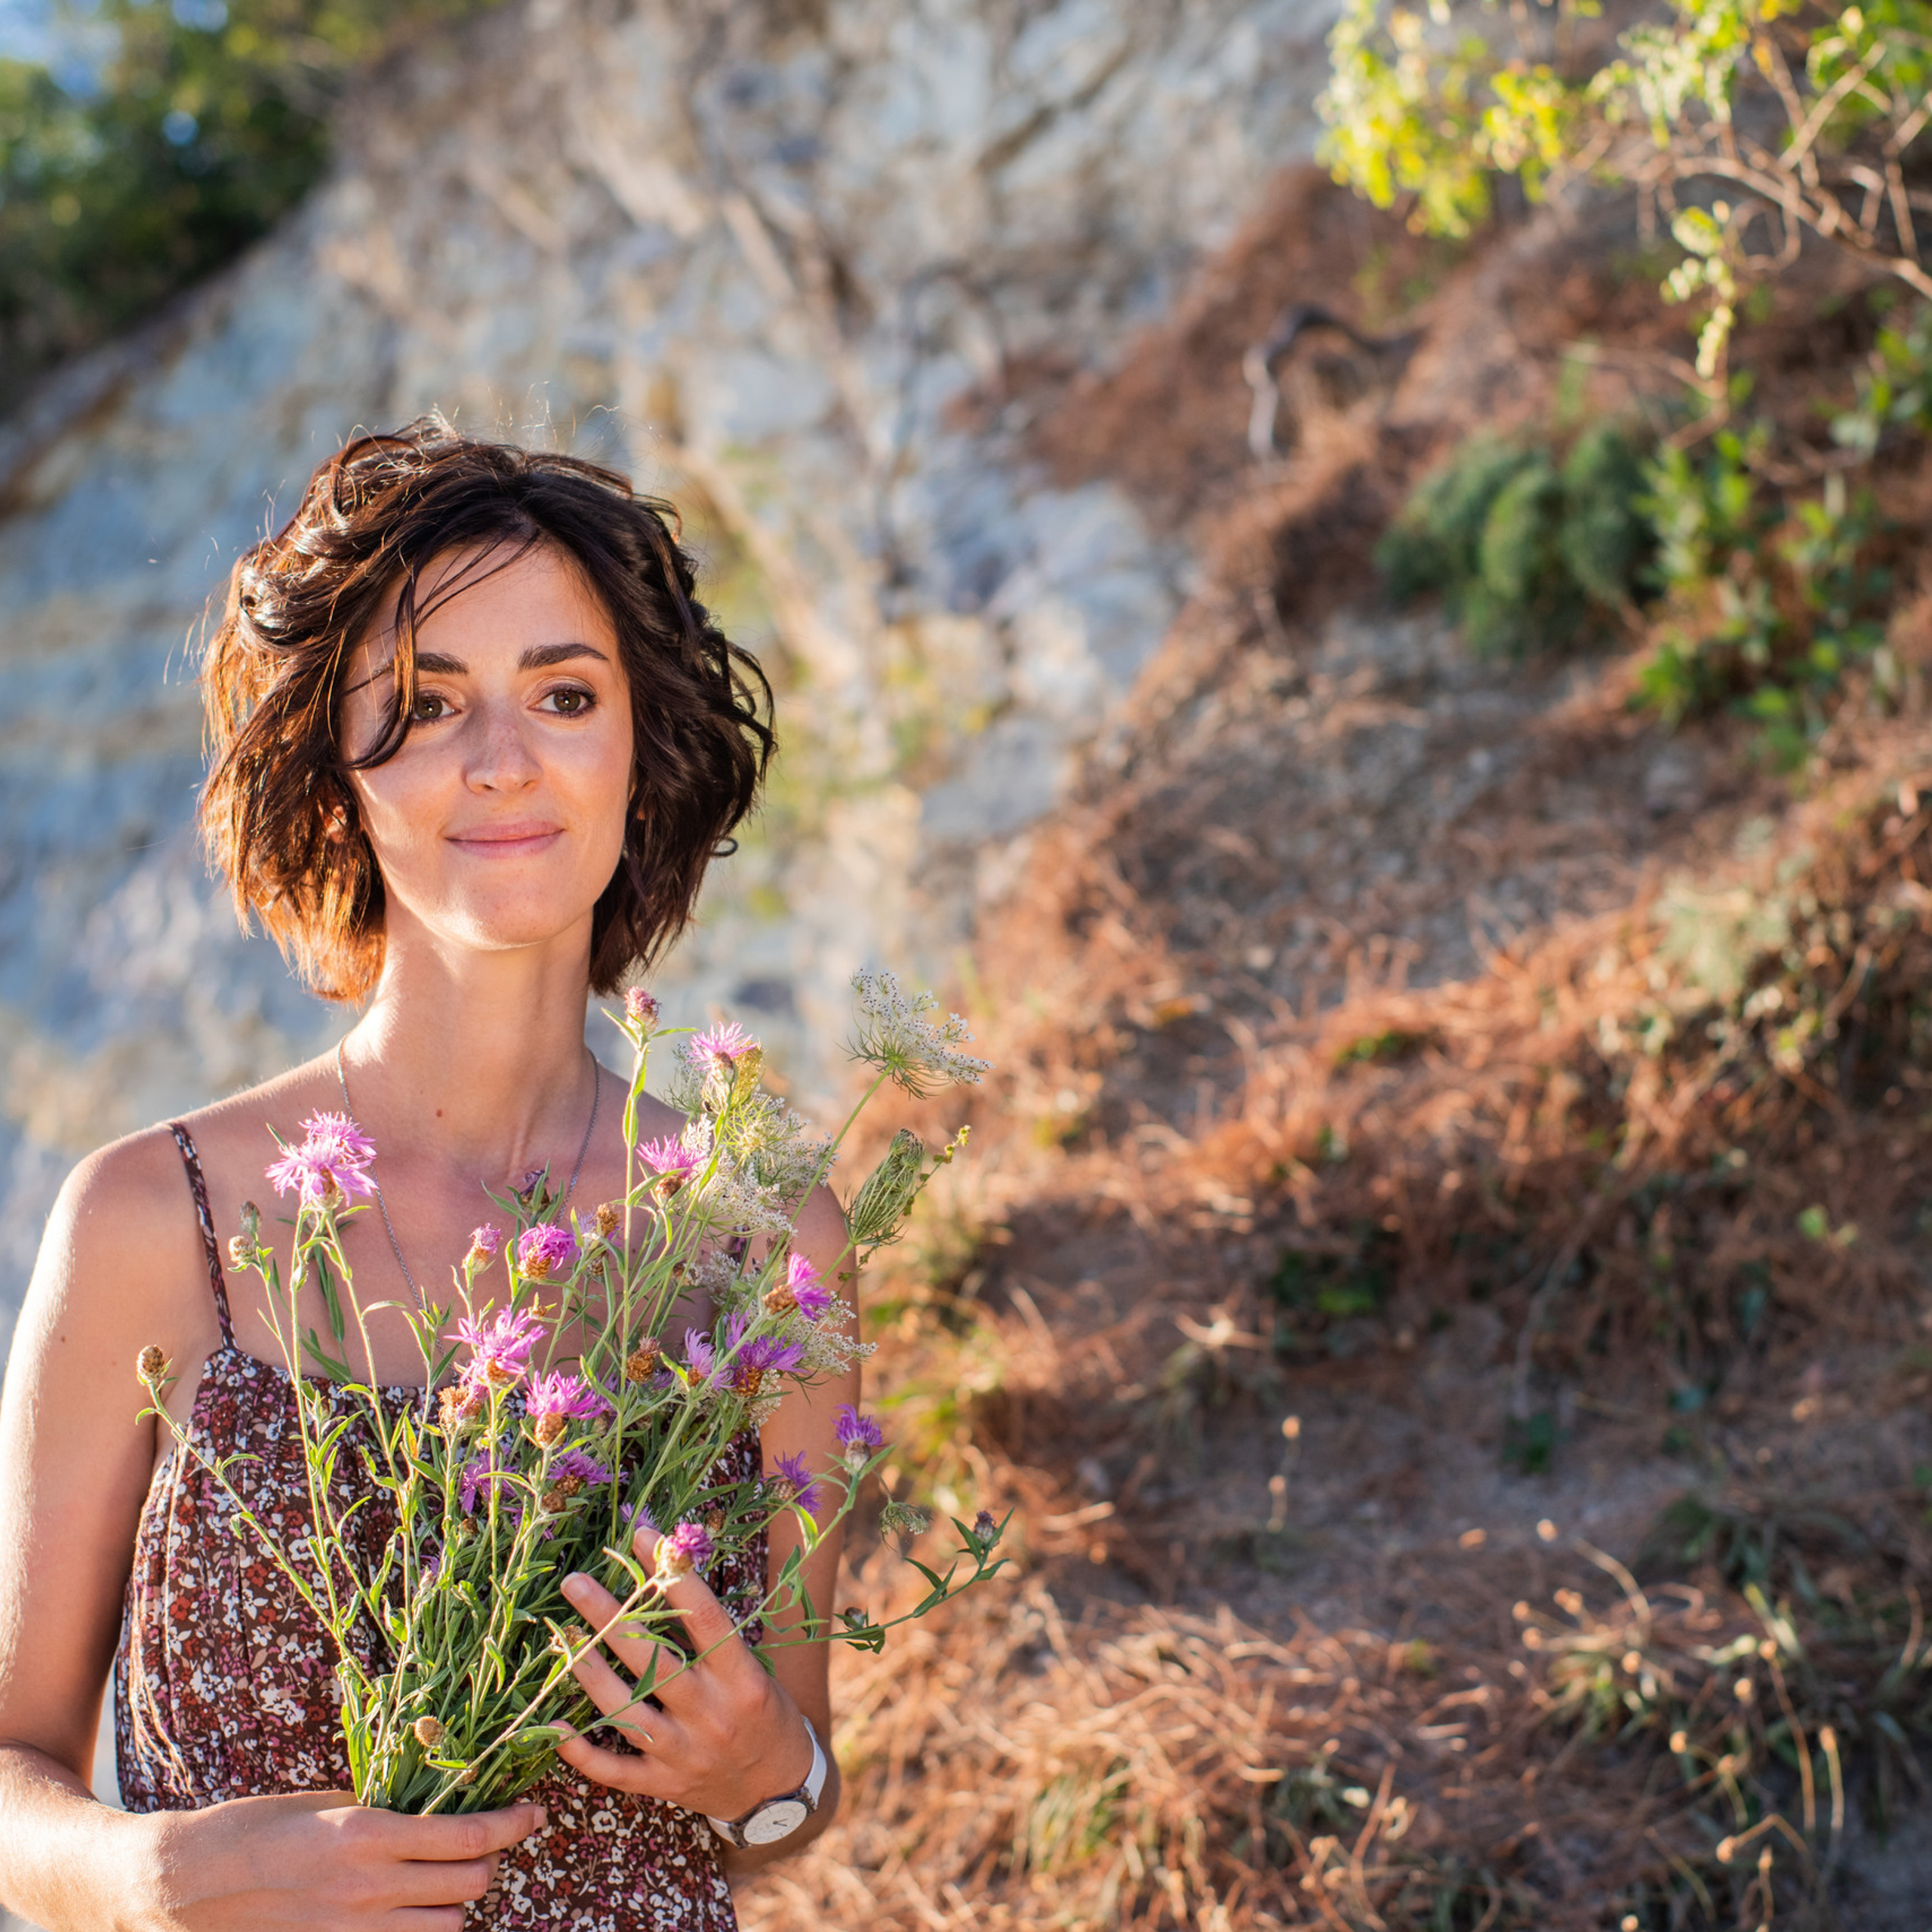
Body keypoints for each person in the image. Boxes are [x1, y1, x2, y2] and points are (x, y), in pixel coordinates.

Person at [0, 421, 854, 1929]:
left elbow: (789, 1789)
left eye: (563, 693)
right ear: (334, 769)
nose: (504, 756)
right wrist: (143, 1875)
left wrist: (763, 1770)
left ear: (639, 753)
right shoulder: (153, 1221)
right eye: (425, 701)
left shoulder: (756, 1237)